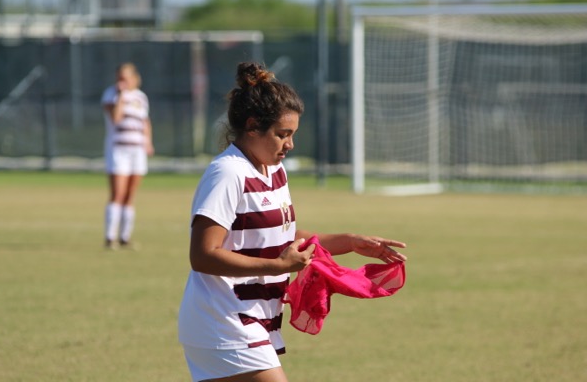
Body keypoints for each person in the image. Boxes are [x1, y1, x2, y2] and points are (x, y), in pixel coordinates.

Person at [177, 62, 407, 382]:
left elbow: (283, 239)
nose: (290, 145)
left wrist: (352, 242)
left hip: (252, 320)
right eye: (282, 135)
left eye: (293, 134)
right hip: (224, 322)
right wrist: (277, 267)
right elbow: (202, 255)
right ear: (253, 126)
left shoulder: (275, 171)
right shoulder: (227, 173)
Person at [101, 62, 154, 250]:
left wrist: (148, 142)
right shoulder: (111, 94)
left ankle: (125, 237)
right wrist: (122, 96)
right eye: (119, 78)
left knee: (130, 195)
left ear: (133, 77)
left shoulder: (141, 97)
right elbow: (115, 118)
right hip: (118, 150)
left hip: (136, 151)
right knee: (118, 193)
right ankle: (110, 237)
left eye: (124, 78)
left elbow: (145, 122)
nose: (121, 81)